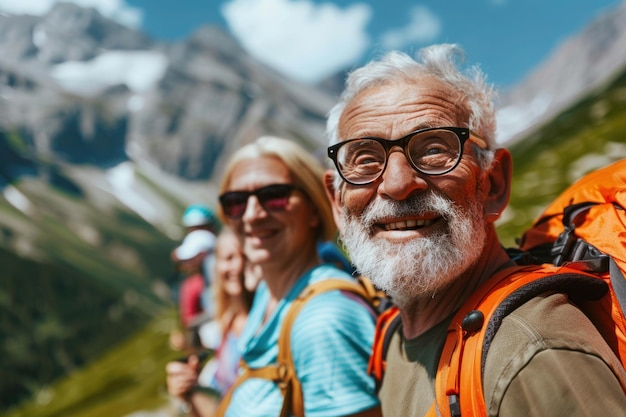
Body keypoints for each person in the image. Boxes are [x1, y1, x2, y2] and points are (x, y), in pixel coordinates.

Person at [323, 43, 626, 416]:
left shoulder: (532, 352)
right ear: (337, 202)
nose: (398, 183)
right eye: (365, 158)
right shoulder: (391, 339)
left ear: (493, 183)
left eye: (434, 148)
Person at [215, 135, 381, 416]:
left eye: (274, 196)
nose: (252, 215)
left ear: (314, 210)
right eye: (236, 201)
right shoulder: (270, 295)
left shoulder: (323, 319)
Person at [166, 227, 256, 417]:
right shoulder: (226, 327)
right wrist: (187, 391)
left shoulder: (270, 318)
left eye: (243, 256)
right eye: (228, 258)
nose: (237, 266)